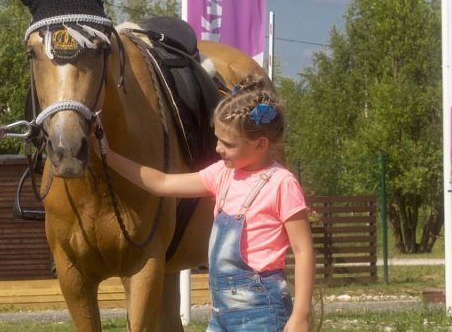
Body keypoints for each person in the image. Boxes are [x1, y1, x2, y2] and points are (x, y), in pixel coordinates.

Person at [102, 77, 315, 332]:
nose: (218, 148)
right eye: (217, 139)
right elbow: (162, 182)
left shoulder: (282, 184)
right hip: (221, 314)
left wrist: (300, 314)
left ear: (260, 144)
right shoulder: (223, 174)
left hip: (263, 311)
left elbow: (303, 251)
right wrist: (109, 156)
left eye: (228, 144)